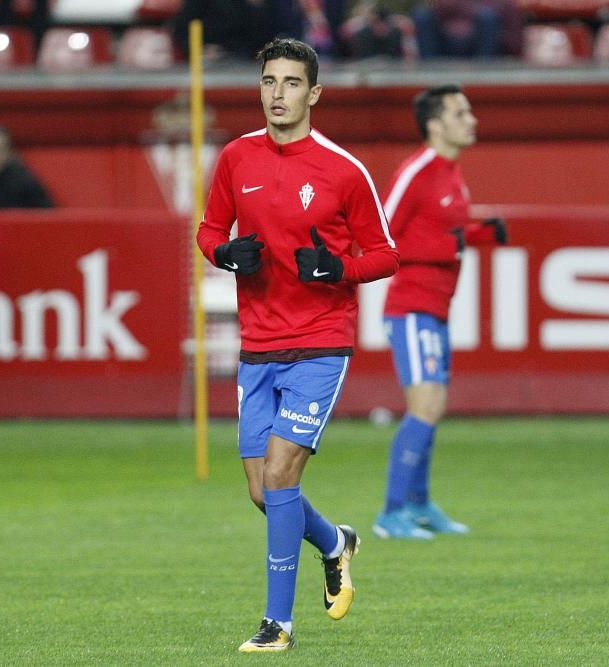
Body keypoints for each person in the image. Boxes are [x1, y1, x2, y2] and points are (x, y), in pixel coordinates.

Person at [195, 38, 399, 652]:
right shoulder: (236, 158)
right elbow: (209, 230)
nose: (276, 93)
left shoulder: (342, 169)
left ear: (314, 93)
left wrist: (337, 269)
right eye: (268, 81)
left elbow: (386, 255)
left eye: (289, 83)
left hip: (319, 342)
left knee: (282, 475)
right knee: (262, 491)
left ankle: (276, 624)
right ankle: (335, 544)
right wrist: (224, 253)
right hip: (258, 342)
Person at [373, 84, 508, 540]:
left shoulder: (451, 171)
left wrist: (481, 234)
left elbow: (442, 230)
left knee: (434, 406)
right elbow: (380, 233)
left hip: (435, 307)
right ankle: (391, 514)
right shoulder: (418, 170)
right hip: (411, 306)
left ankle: (419, 503)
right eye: (461, 112)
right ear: (436, 124)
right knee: (425, 406)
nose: (472, 120)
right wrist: (451, 243)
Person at [412, 0, 522, 59]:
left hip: (483, 49)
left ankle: (483, 74)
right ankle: (431, 73)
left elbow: (514, 43)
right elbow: (442, 7)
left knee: (488, 18)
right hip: (445, 42)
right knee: (422, 16)